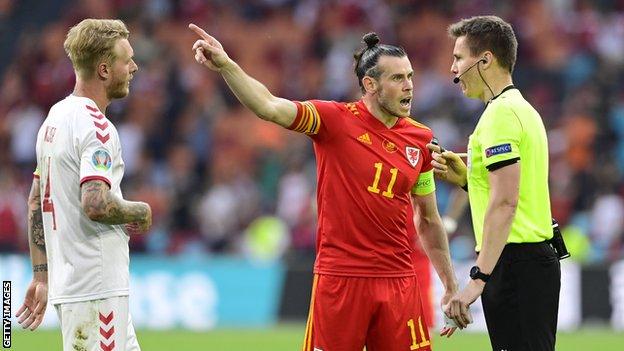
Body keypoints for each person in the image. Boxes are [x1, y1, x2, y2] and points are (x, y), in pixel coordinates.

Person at [189, 24, 460, 350]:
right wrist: (228, 66)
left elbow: (428, 219)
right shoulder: (334, 120)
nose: (409, 87)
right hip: (340, 279)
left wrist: (448, 283)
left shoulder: (422, 139)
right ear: (370, 84)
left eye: (410, 77)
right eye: (398, 78)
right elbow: (269, 106)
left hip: (399, 281)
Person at [16, 19, 152, 351]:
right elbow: (95, 203)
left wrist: (41, 277)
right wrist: (140, 210)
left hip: (77, 286)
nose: (134, 67)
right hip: (97, 288)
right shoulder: (97, 128)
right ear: (104, 70)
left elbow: (36, 200)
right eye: (127, 60)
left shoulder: (53, 119)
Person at [428, 15, 561, 351]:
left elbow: (506, 202)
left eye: (459, 58)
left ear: (485, 59)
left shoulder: (500, 116)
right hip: (527, 261)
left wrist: (478, 279)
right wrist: (468, 181)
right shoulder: (521, 110)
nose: (453, 69)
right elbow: (510, 191)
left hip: (517, 263)